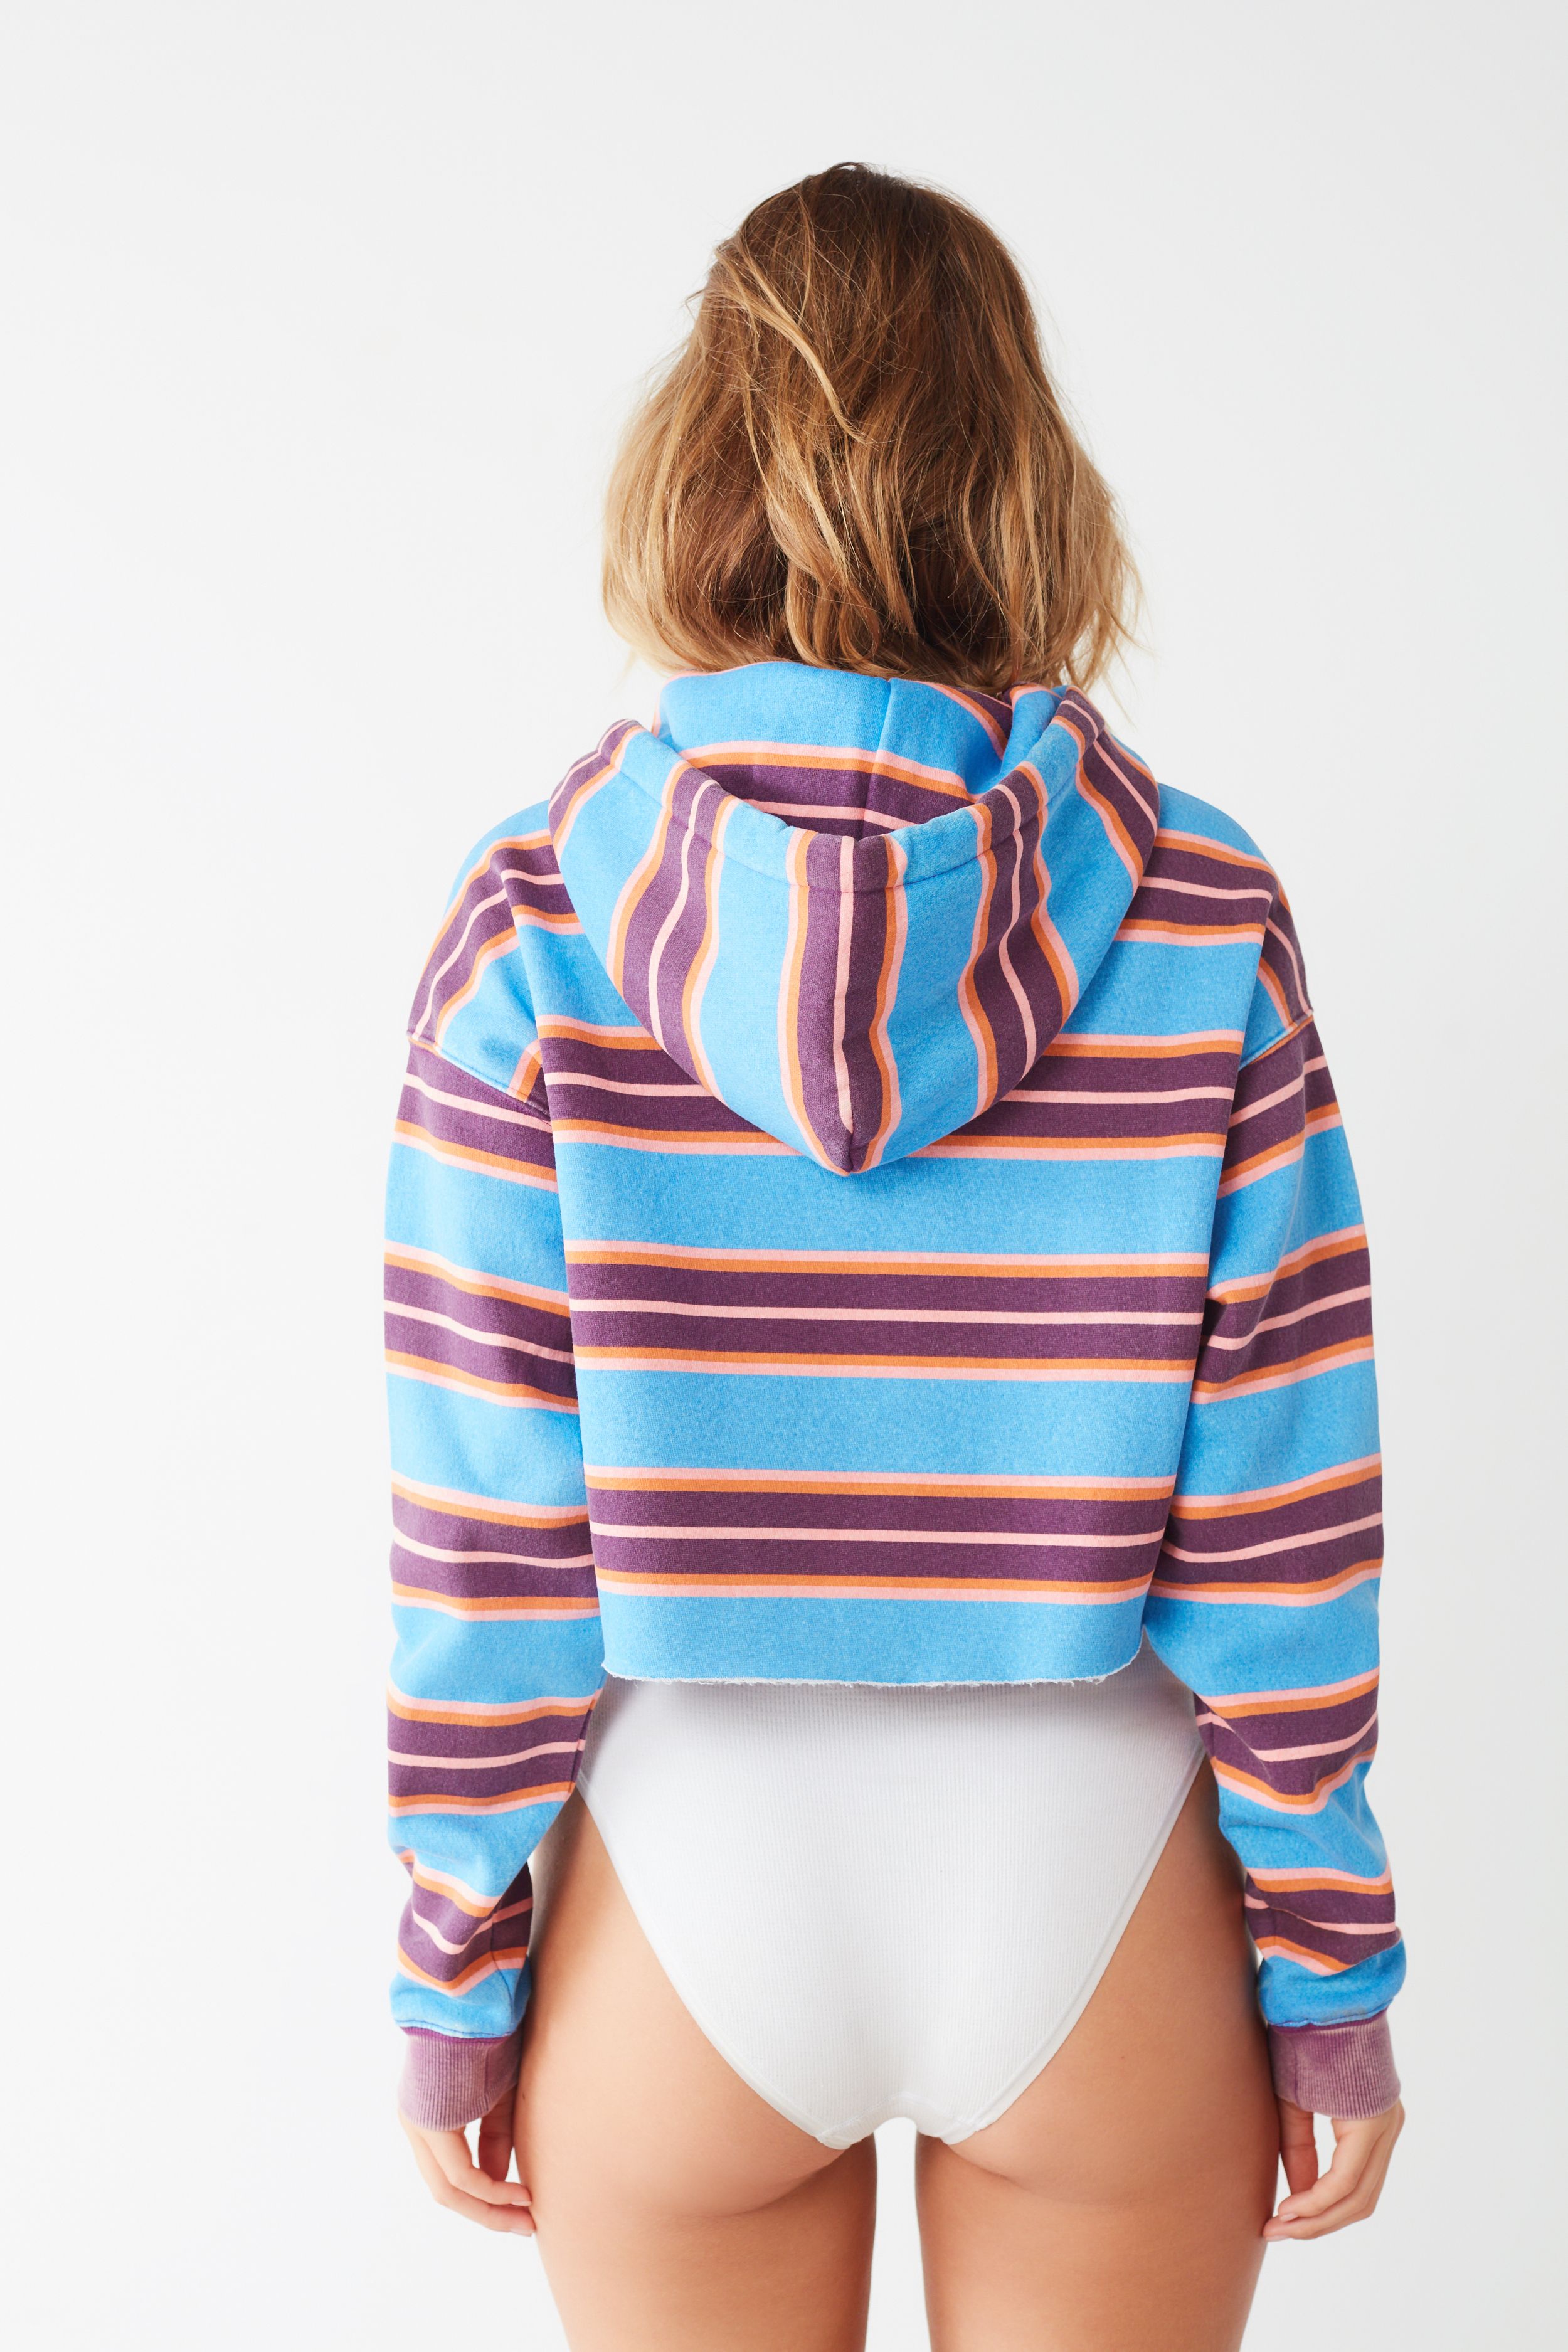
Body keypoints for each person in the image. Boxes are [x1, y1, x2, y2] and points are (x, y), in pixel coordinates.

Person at [384, 162, 1405, 2351]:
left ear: (692, 469)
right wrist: (1327, 1971)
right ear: (1023, 479)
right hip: (1093, 1871)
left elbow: (485, 1527)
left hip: (687, 1874)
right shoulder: (1203, 910)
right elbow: (1283, 1515)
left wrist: (453, 1964)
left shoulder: (532, 916)